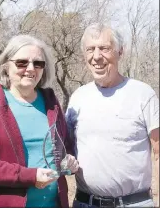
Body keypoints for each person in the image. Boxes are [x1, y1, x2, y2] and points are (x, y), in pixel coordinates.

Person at [0, 35, 79, 208]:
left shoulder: (50, 102)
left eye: (38, 63)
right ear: (6, 66)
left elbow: (63, 147)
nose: (31, 69)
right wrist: (29, 176)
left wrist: (68, 160)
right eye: (22, 62)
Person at [65, 23, 159, 207]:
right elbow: (66, 149)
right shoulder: (78, 97)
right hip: (85, 203)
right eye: (90, 49)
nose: (97, 56)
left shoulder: (142, 94)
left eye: (105, 48)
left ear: (120, 52)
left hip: (134, 203)